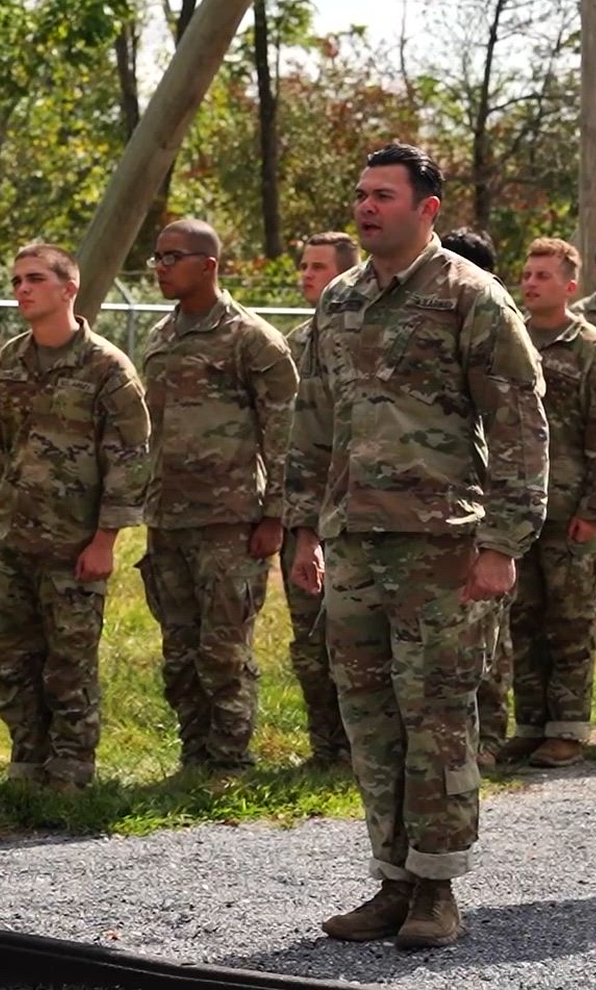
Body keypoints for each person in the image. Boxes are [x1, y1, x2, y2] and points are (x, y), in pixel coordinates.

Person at [289, 143, 548, 950]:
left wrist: (504, 541)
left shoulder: (473, 297)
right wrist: (302, 527)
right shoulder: (338, 301)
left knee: (435, 716)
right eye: (360, 194)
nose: (366, 207)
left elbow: (520, 425)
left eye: (383, 196)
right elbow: (311, 422)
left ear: (426, 208)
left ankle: (437, 885)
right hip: (354, 542)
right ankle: (391, 879)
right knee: (369, 719)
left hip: (443, 545)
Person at [0, 244, 151, 791]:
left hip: (74, 546)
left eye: (35, 279)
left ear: (68, 288)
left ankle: (73, 773)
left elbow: (129, 456)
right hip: (16, 539)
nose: (22, 289)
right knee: (15, 661)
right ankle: (26, 766)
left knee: (69, 664)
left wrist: (105, 540)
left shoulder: (106, 368)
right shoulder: (11, 361)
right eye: (17, 280)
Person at [138, 219, 298, 775]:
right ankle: (193, 756)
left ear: (207, 265)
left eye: (171, 257)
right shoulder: (159, 338)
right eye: (156, 258)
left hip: (230, 521)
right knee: (179, 651)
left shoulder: (252, 340)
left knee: (223, 650)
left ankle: (229, 762)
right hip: (167, 518)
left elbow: (282, 435)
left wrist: (275, 514)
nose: (159, 267)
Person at [498, 238, 596, 769]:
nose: (530, 283)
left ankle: (569, 728)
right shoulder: (508, 339)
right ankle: (530, 723)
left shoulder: (592, 348)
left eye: (543, 276)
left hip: (571, 509)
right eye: (527, 274)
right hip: (514, 507)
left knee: (571, 621)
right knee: (522, 619)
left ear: (570, 286)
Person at [438, 226, 515, 770]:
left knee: (487, 635)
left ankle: (489, 736)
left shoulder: (493, 324)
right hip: (441, 508)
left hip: (483, 505)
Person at [283, 232, 359, 769]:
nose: (308, 275)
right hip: (308, 510)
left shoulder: (364, 337)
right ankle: (325, 748)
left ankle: (364, 749)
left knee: (359, 642)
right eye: (304, 266)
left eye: (319, 267)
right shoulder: (292, 344)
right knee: (309, 637)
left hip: (361, 512)